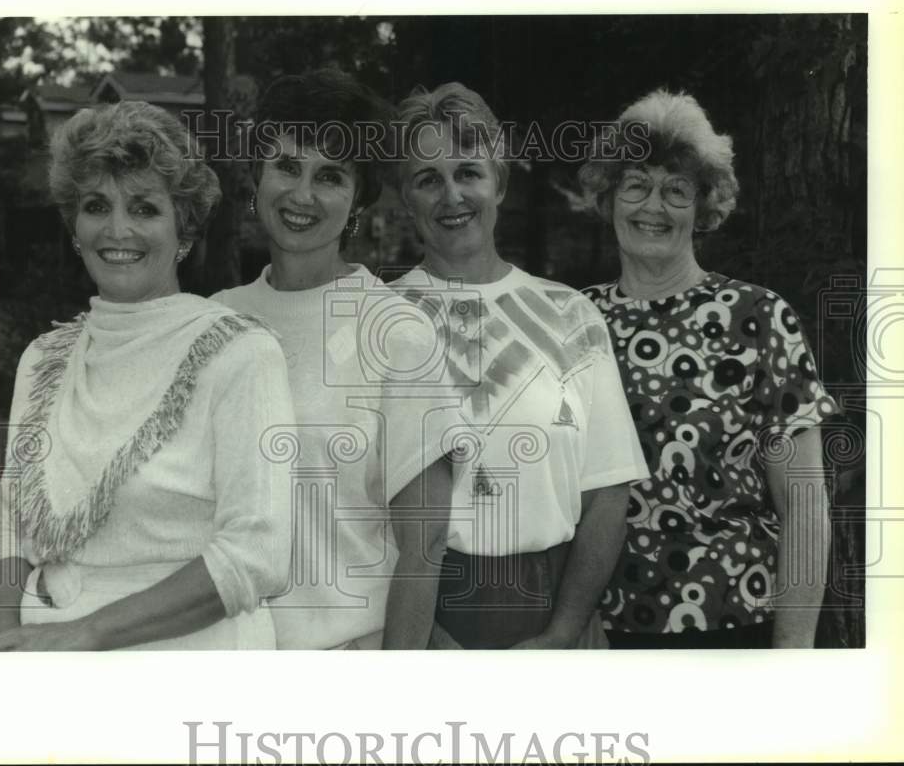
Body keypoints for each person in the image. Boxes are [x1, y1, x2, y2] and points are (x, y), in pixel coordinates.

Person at [0, 100, 294, 650]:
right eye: (97, 205)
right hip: (45, 666)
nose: (117, 228)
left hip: (188, 663)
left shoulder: (241, 352)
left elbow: (257, 552)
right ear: (74, 227)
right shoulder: (44, 357)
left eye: (145, 208)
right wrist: (4, 642)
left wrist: (84, 634)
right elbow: (10, 524)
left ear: (185, 231)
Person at [392, 83, 649, 649]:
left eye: (469, 172)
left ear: (500, 183)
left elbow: (607, 493)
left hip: (560, 614)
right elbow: (354, 508)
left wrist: (562, 633)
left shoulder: (570, 314)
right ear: (405, 199)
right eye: (427, 178)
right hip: (423, 618)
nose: (451, 195)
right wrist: (422, 636)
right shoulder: (378, 319)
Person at [577, 89, 837, 648]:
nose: (654, 207)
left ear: (704, 207)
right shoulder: (574, 320)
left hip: (739, 627)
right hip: (601, 633)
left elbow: (806, 506)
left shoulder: (759, 317)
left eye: (676, 190)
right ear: (608, 198)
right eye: (636, 185)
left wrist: (792, 654)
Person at [211, 69, 458, 650]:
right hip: (222, 655)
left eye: (330, 176)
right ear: (256, 176)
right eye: (287, 166)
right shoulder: (215, 322)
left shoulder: (397, 333)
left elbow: (426, 546)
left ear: (357, 201)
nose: (302, 195)